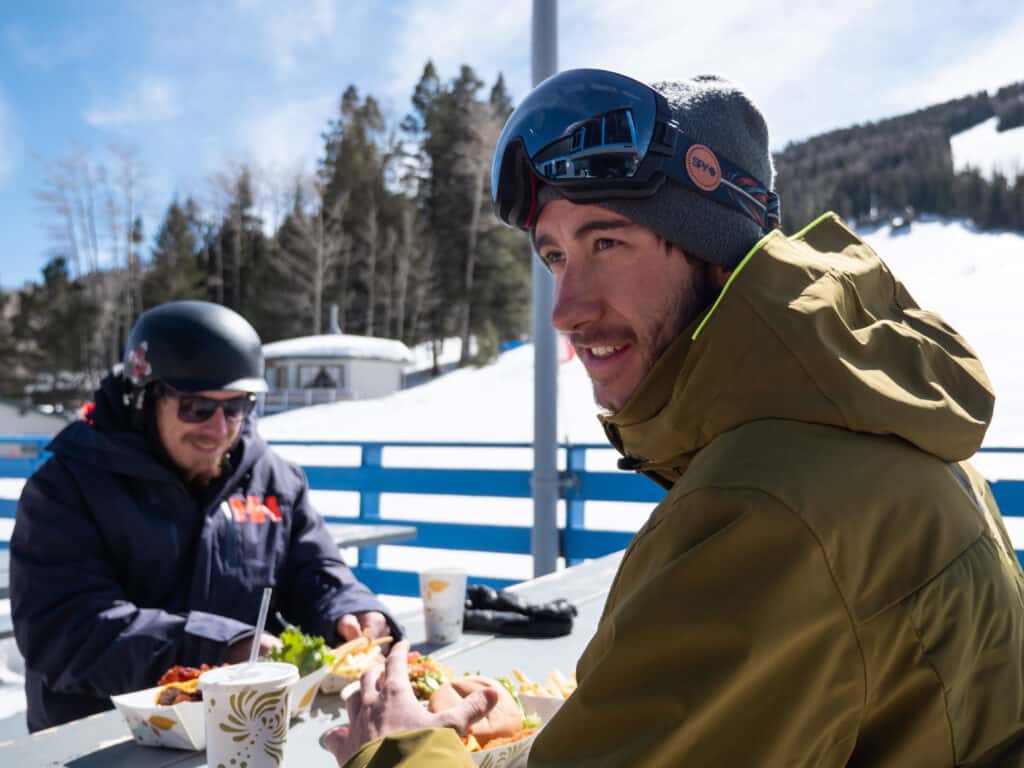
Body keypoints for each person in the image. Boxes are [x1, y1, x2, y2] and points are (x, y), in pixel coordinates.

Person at [326, 69, 1024, 766]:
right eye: (556, 256)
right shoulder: (865, 413)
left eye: (607, 244)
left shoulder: (766, 506)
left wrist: (397, 749)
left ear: (717, 254)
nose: (565, 309)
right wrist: (554, 734)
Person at [10, 300, 400, 732]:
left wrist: (346, 608)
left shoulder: (274, 480)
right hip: (102, 737)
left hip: (244, 730)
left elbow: (312, 567)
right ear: (145, 397)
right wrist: (219, 648)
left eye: (237, 406)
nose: (219, 429)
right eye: (196, 407)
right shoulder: (67, 486)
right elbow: (65, 630)